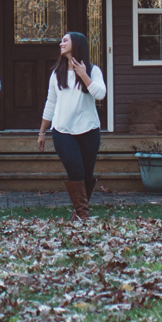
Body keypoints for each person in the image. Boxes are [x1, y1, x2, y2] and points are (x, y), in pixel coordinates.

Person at [37, 29, 105, 219]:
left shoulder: (93, 70)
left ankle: (79, 211)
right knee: (75, 170)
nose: (61, 44)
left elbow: (100, 94)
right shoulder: (56, 74)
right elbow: (50, 103)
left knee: (87, 174)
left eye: (64, 41)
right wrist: (42, 132)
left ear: (77, 44)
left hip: (89, 130)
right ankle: (83, 215)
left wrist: (83, 74)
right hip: (62, 131)